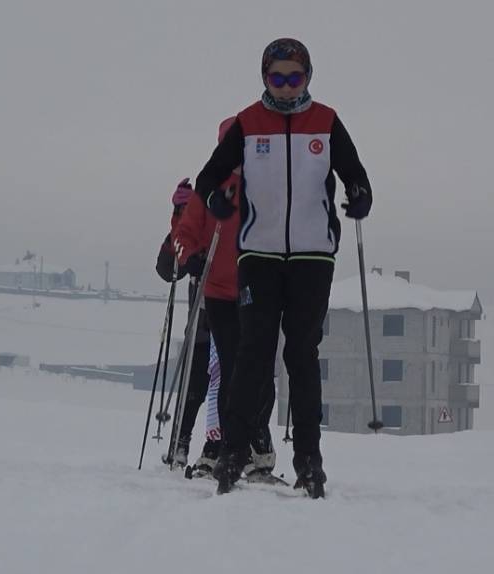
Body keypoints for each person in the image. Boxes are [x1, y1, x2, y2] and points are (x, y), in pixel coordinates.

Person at [193, 38, 372, 497]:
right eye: (279, 77)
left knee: (301, 354)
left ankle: (309, 459)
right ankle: (233, 451)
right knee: (253, 353)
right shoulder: (250, 122)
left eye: (296, 77)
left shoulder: (326, 122)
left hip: (313, 255)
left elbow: (355, 174)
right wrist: (215, 197)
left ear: (308, 77)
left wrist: (360, 195)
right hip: (260, 255)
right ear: (265, 77)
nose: (288, 86)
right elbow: (210, 176)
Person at [174, 117, 279, 481]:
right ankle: (223, 447)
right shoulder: (211, 187)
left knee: (260, 370)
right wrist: (190, 256)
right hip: (218, 292)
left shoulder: (263, 186)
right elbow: (184, 234)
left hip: (257, 290)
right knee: (230, 371)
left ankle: (257, 448)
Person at [154, 179, 212, 468]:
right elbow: (167, 268)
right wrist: (181, 218)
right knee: (195, 384)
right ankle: (180, 444)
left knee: (229, 385)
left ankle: (233, 449)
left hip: (233, 313)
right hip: (203, 318)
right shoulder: (197, 221)